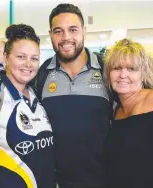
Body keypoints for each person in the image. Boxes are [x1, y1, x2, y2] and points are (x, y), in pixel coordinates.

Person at [34, 3, 111, 188]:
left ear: (84, 31)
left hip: (104, 179)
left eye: (73, 29)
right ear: (51, 33)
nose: (66, 37)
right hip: (56, 181)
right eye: (58, 31)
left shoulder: (107, 69)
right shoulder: (41, 75)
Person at [0, 24, 55, 188]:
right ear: (6, 57)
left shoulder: (38, 94)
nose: (28, 64)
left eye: (34, 58)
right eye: (21, 57)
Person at [104, 38, 153, 188]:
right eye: (117, 68)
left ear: (143, 73)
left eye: (131, 69)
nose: (123, 75)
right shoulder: (116, 111)